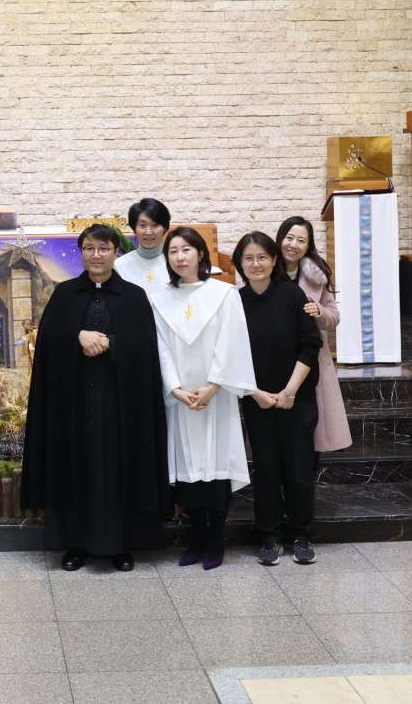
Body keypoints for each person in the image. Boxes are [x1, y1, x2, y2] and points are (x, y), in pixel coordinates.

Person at [22, 223, 170, 572]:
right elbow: (48, 343)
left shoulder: (134, 297)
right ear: (82, 253)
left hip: (119, 406)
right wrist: (77, 336)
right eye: (89, 248)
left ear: (116, 252)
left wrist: (111, 343)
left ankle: (121, 546)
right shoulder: (64, 294)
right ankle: (75, 545)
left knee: (118, 470)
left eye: (104, 248)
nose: (96, 255)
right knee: (74, 467)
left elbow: (146, 350)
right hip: (72, 403)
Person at [154, 226, 257, 570]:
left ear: (200, 253)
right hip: (181, 401)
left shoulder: (224, 294)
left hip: (216, 397)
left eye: (186, 249)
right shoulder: (160, 298)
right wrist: (174, 388)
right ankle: (197, 538)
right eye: (173, 252)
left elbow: (232, 342)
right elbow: (161, 348)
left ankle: (216, 541)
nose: (180, 257)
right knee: (188, 473)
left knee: (216, 469)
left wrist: (213, 386)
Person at [234, 231, 323, 567]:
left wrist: (289, 392)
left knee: (299, 471)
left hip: (297, 399)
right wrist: (254, 393)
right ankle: (270, 537)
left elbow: (310, 345)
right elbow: (229, 354)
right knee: (267, 470)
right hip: (256, 399)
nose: (255, 264)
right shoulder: (235, 302)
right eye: (248, 258)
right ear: (240, 264)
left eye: (262, 257)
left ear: (274, 260)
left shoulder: (292, 295)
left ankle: (302, 535)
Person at [275, 216, 352, 458]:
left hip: (310, 357)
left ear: (308, 246)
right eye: (289, 238)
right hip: (275, 355)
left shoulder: (316, 274)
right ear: (280, 239)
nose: (293, 245)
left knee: (310, 429)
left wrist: (318, 311)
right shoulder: (266, 269)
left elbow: (334, 317)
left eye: (301, 241)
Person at [114, 198, 170, 295]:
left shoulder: (177, 262)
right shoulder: (120, 265)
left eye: (155, 225)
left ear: (164, 227)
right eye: (142, 225)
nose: (148, 232)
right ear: (134, 228)